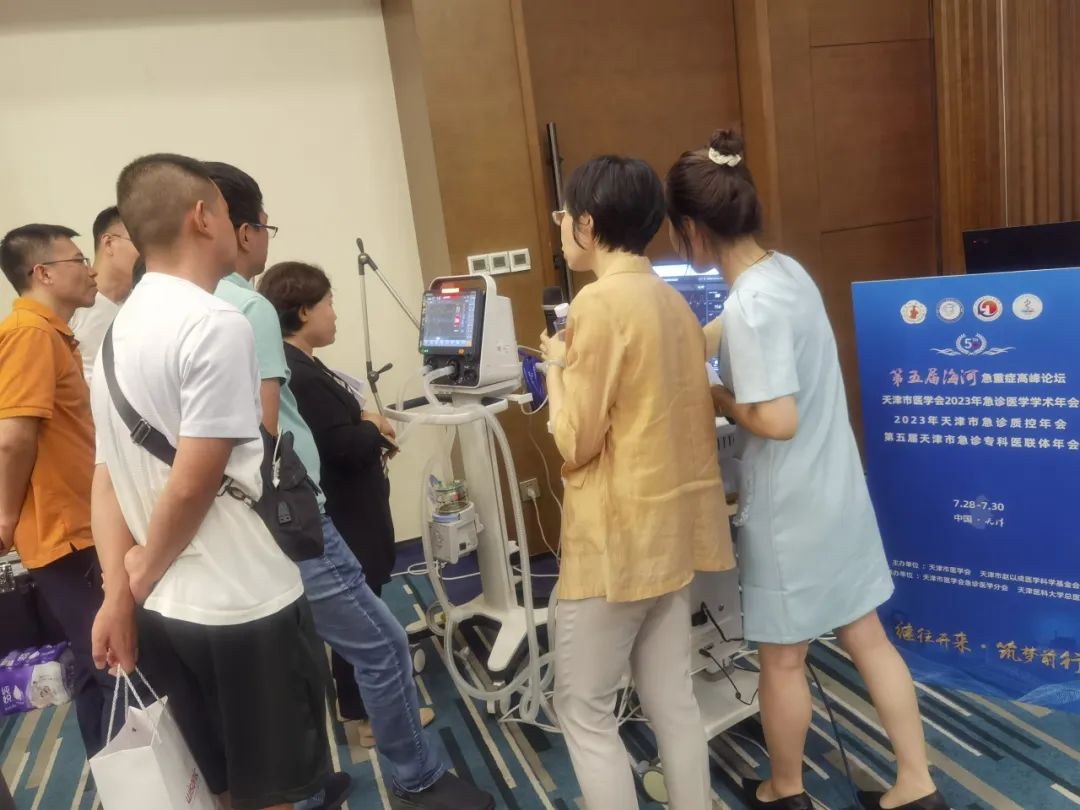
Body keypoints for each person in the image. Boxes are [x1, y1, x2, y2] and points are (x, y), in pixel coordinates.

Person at [665, 130, 947, 810]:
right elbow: (742, 332)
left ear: (691, 230)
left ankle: (785, 789)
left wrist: (717, 394)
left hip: (790, 508)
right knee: (867, 635)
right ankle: (917, 782)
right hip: (837, 490)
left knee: (783, 657)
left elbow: (777, 419)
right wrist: (688, 340)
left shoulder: (751, 305)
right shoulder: (784, 273)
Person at [206, 161, 492, 810]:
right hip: (293, 516)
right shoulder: (246, 309)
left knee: (289, 662)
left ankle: (306, 789)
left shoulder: (164, 315)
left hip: (248, 527)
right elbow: (267, 434)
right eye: (266, 226)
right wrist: (364, 433)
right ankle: (417, 779)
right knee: (384, 645)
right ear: (239, 229)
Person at [89, 153, 333, 810]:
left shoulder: (115, 333)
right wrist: (139, 574)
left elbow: (106, 478)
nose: (241, 229)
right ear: (202, 217)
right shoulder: (215, 323)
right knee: (273, 792)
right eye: (228, 214)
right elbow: (195, 479)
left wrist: (121, 593)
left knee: (217, 786)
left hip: (165, 608)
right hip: (243, 601)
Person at [538, 156, 736, 810]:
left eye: (565, 215)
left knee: (583, 709)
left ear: (588, 224)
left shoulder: (597, 304)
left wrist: (556, 367)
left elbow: (576, 440)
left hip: (617, 543)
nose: (562, 225)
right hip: (671, 537)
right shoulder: (672, 302)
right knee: (672, 700)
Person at [258, 260, 405, 744]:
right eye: (328, 303)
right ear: (304, 311)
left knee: (359, 609)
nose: (335, 313)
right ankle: (367, 717)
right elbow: (336, 445)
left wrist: (365, 421)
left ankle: (358, 703)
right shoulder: (297, 373)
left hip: (349, 505)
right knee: (359, 616)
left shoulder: (303, 363)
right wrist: (372, 428)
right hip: (345, 510)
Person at [0, 224, 114, 758]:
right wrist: (5, 517)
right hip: (67, 534)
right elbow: (13, 438)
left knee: (94, 667)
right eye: (77, 260)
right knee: (113, 662)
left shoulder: (51, 334)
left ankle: (118, 781)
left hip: (79, 524)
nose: (90, 270)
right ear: (42, 273)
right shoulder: (29, 334)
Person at [70, 206, 139, 384]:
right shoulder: (70, 306)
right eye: (139, 241)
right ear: (108, 243)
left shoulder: (146, 304)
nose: (149, 251)